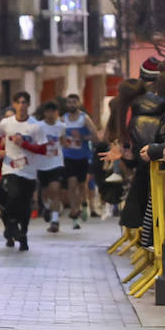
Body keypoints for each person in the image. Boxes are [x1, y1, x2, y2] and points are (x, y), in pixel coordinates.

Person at [0, 93, 44, 251]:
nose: (21, 105)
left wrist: (25, 145)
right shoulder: (6, 122)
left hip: (28, 170)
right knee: (12, 195)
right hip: (10, 167)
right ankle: (11, 224)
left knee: (24, 204)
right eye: (18, 102)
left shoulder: (35, 125)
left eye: (24, 102)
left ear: (28, 105)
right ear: (14, 105)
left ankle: (23, 234)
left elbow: (43, 148)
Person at [60, 93, 100, 229]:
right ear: (66, 104)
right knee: (72, 184)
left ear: (79, 103)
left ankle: (84, 204)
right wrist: (63, 141)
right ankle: (74, 213)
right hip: (68, 156)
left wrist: (82, 135)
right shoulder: (63, 119)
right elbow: (58, 136)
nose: (72, 105)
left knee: (82, 185)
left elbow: (96, 137)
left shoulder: (84, 118)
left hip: (83, 156)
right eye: (69, 102)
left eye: (74, 102)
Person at [34, 101, 67, 233]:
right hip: (41, 164)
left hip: (56, 163)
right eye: (48, 112)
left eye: (53, 112)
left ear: (56, 113)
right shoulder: (38, 127)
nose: (51, 115)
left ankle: (55, 221)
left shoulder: (61, 126)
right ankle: (47, 207)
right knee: (44, 191)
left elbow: (63, 141)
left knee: (54, 189)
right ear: (45, 113)